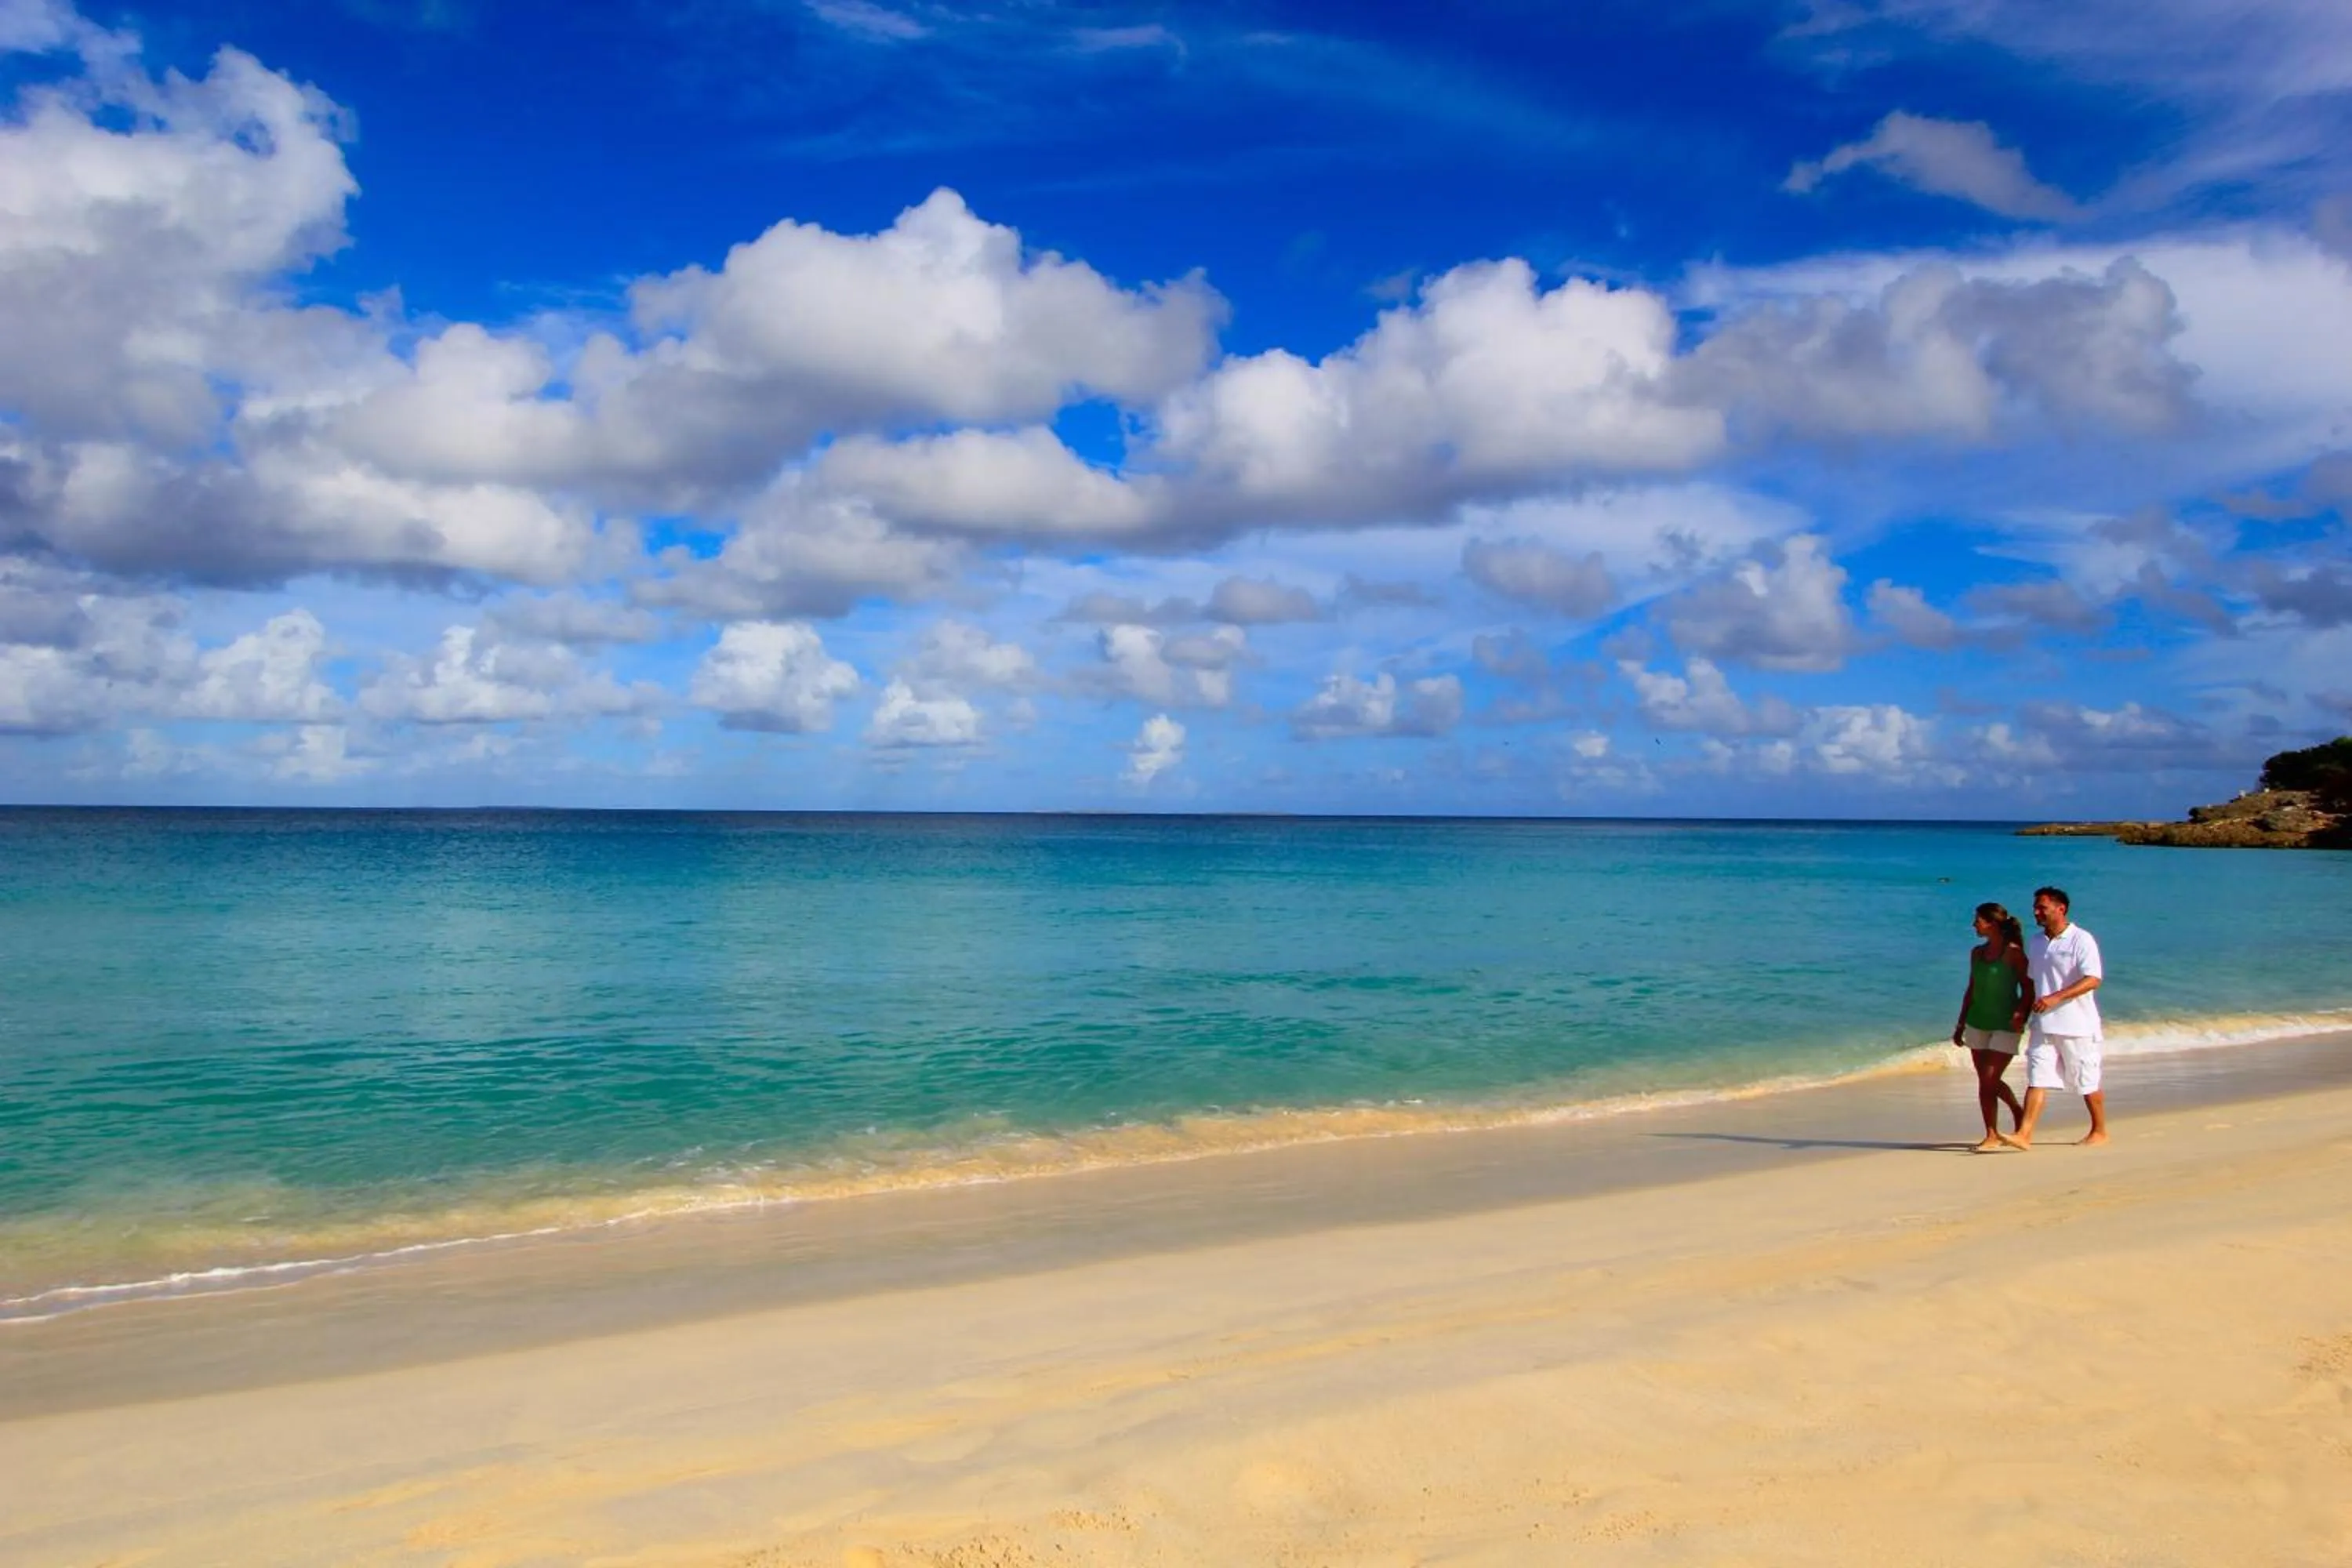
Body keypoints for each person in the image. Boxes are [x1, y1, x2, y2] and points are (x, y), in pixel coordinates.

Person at [1999, 885, 2107, 1149]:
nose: (2036, 912)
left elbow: (2093, 979)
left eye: (2042, 908)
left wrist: (2056, 997)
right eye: (2035, 907)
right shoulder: (2036, 943)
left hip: (2078, 1026)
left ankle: (2100, 1130)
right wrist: (2021, 1014)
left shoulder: (2082, 939)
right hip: (2043, 1025)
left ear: (2061, 909)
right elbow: (2034, 983)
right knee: (2037, 1078)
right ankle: (2024, 1135)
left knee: (2086, 1080)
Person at [1951, 902, 2031, 1151]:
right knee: (1985, 1080)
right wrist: (1960, 1023)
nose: (1974, 924)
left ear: (1992, 924)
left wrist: (2021, 1013)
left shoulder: (2014, 952)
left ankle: (2005, 1123)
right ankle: (1993, 1131)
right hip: (1978, 1022)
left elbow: (2028, 988)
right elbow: (1972, 989)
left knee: (1989, 1079)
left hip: (2006, 1024)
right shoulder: (1976, 953)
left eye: (1978, 920)